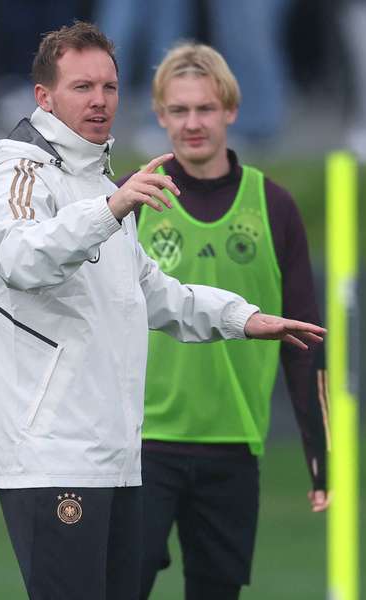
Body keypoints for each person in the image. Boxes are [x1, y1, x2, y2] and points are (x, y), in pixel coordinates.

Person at [0, 21, 326, 599]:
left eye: (109, 87)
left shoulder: (96, 181)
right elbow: (19, 257)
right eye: (82, 87)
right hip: (53, 454)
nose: (100, 101)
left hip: (113, 453)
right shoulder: (19, 173)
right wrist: (110, 209)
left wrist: (243, 318)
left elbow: (154, 293)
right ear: (44, 98)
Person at [116, 43, 330, 600]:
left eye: (205, 109)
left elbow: (304, 336)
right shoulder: (132, 204)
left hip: (234, 443)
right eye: (179, 110)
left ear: (230, 110)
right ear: (160, 116)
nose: (192, 123)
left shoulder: (273, 205)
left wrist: (319, 452)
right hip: (143, 442)